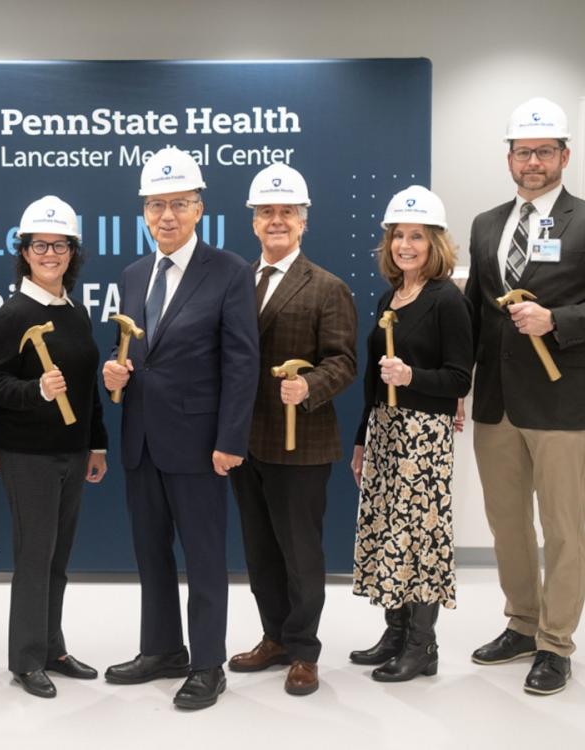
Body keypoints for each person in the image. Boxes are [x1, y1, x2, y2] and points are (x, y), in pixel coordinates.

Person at [103, 147, 259, 710]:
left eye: (177, 204)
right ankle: (162, 650)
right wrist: (114, 370)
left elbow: (243, 364)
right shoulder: (133, 274)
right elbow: (134, 352)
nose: (166, 216)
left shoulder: (231, 272)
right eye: (155, 205)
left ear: (199, 208)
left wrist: (230, 441)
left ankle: (207, 663)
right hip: (142, 440)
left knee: (204, 557)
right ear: (143, 212)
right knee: (151, 554)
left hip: (200, 445)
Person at [466, 97, 585, 696]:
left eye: (543, 151)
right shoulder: (487, 224)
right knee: (507, 523)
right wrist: (454, 385)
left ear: (564, 156)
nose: (532, 161)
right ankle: (523, 622)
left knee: (565, 526)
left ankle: (557, 643)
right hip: (496, 402)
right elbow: (473, 316)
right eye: (523, 152)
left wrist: (558, 320)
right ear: (509, 158)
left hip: (563, 405)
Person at [226, 164, 356, 696]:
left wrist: (309, 388)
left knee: (301, 551)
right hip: (246, 440)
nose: (275, 220)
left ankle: (304, 651)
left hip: (301, 442)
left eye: (285, 212)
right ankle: (275, 636)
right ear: (254, 222)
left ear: (302, 221)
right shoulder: (236, 282)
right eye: (266, 212)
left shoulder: (328, 286)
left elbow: (344, 361)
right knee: (259, 549)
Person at [0, 195, 108, 699]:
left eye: (60, 245)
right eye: (40, 245)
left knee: (57, 558)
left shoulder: (74, 311)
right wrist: (35, 391)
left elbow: (88, 387)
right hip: (28, 454)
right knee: (35, 557)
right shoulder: (13, 314)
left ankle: (53, 647)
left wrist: (96, 444)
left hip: (73, 452)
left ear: (72, 252)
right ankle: (27, 658)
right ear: (25, 251)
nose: (50, 253)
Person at [349, 185, 472, 682]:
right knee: (386, 532)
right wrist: (362, 437)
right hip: (385, 430)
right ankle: (395, 632)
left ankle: (423, 646)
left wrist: (412, 379)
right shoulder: (390, 295)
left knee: (419, 537)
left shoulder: (446, 301)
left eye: (416, 236)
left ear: (434, 243)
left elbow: (460, 378)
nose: (405, 245)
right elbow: (371, 377)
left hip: (424, 437)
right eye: (398, 235)